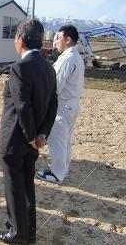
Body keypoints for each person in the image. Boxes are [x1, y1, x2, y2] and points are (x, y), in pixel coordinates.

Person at [0, 19, 58, 244]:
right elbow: (53, 104)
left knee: (14, 187)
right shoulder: (48, 67)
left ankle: (17, 232)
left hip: (15, 139)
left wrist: (32, 136)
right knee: (27, 185)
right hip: (33, 140)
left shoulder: (19, 67)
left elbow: (22, 105)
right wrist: (42, 135)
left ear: (20, 40)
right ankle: (29, 231)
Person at [37, 25, 85, 184]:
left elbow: (56, 86)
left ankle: (56, 173)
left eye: (58, 38)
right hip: (71, 105)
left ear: (68, 40)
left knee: (57, 140)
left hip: (62, 107)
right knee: (65, 140)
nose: (56, 41)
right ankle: (63, 169)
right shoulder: (75, 56)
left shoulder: (68, 58)